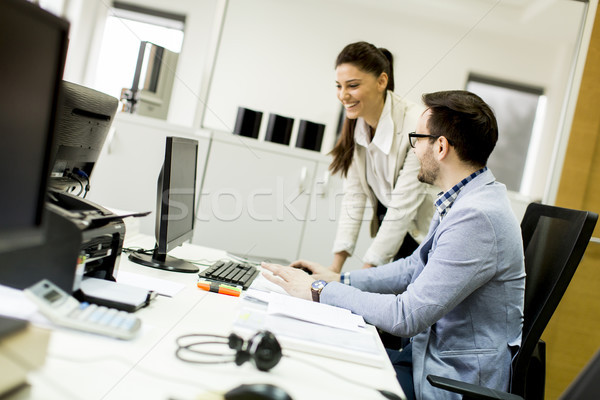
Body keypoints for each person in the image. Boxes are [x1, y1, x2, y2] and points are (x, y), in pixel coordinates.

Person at [262, 90, 526, 400]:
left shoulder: (477, 217)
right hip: (427, 359)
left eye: (418, 138)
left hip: (450, 381)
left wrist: (319, 290)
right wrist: (339, 279)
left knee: (321, 383)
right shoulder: (467, 199)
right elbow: (415, 266)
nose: (413, 150)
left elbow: (406, 316)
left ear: (440, 147)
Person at [328, 41, 435, 272]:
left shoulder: (417, 125)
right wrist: (334, 269)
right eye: (339, 86)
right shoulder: (357, 126)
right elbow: (354, 197)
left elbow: (402, 208)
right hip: (395, 235)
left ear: (381, 81)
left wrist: (362, 276)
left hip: (426, 241)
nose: (343, 95)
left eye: (353, 85)